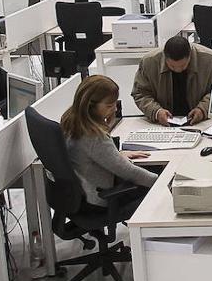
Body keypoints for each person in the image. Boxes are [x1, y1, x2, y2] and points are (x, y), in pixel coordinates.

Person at [61, 75, 158, 214]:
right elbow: (128, 172)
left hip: (83, 194)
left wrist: (115, 155)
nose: (114, 110)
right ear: (90, 106)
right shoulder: (94, 136)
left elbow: (94, 154)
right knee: (156, 182)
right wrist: (161, 182)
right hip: (101, 199)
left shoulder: (70, 120)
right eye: (109, 106)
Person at [132, 35, 212, 126]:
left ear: (190, 55)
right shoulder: (149, 62)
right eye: (172, 66)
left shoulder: (211, 60)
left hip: (202, 123)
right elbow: (140, 93)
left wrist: (203, 110)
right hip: (162, 124)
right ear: (164, 57)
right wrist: (156, 112)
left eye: (183, 66)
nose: (178, 70)